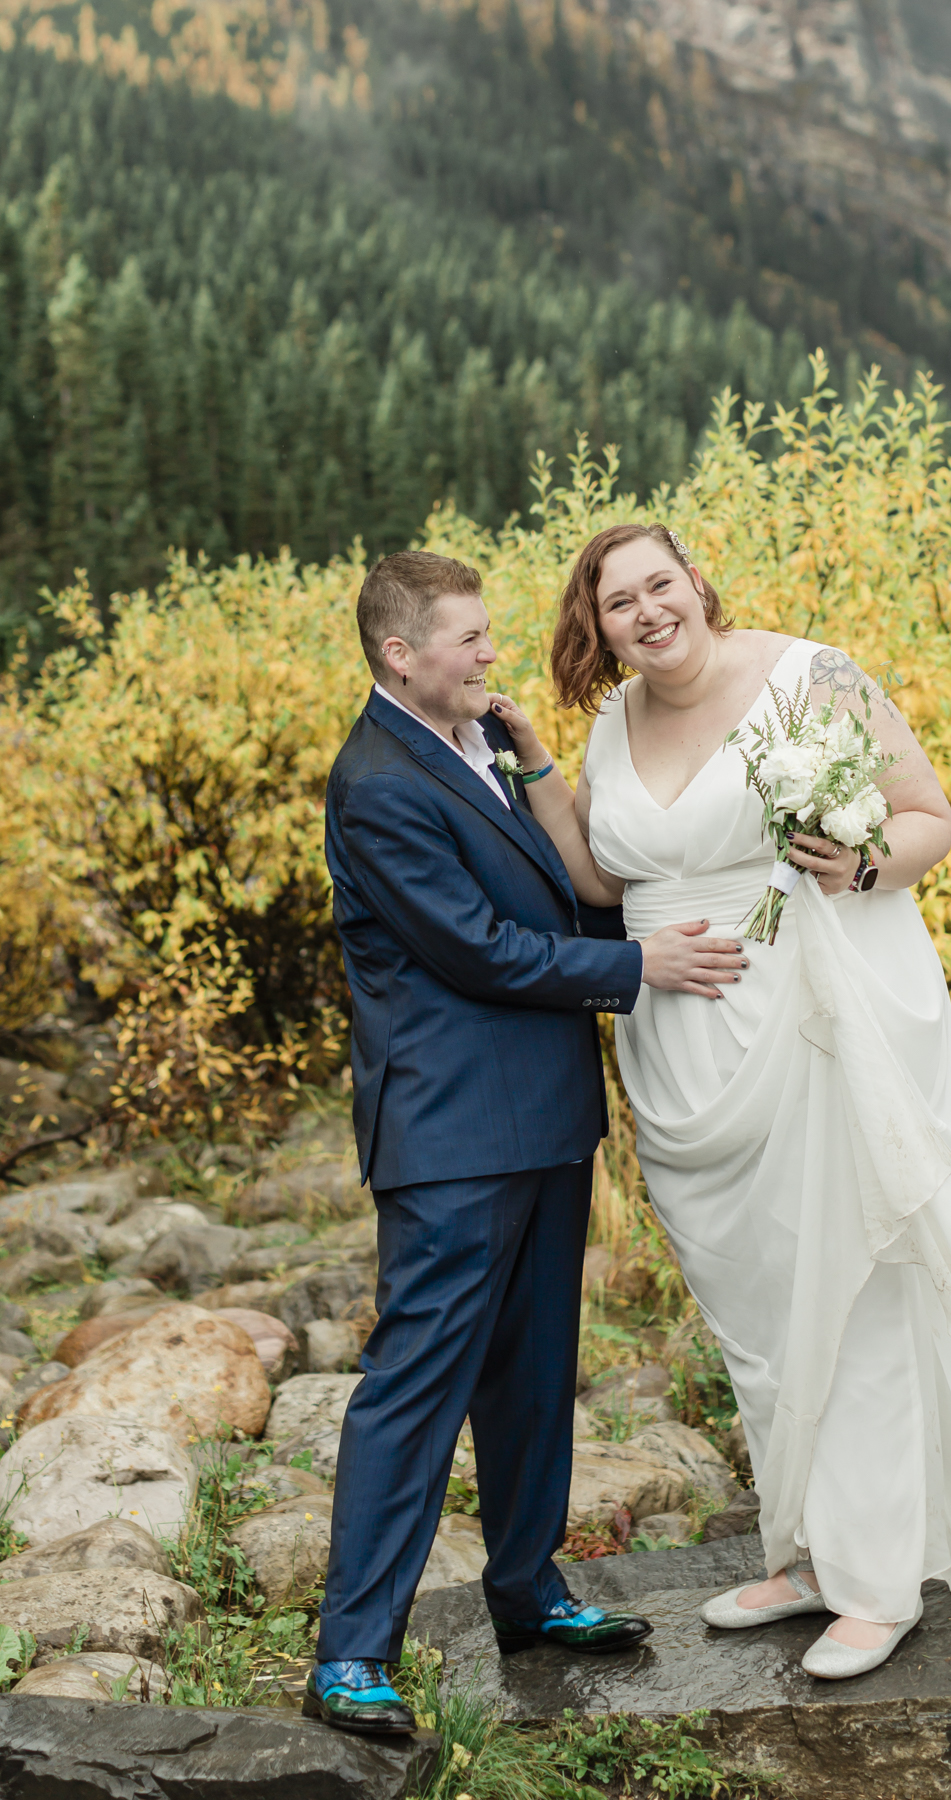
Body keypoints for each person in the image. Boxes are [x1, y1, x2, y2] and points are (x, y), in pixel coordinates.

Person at [487, 524, 951, 1682]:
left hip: (810, 1019)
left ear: (699, 584)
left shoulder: (812, 675)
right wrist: (543, 770)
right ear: (595, 625)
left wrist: (855, 866)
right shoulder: (615, 720)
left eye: (661, 585)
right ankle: (803, 1553)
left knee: (849, 1285)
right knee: (757, 1316)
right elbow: (607, 880)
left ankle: (879, 1582)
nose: (647, 612)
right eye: (618, 603)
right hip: (680, 1054)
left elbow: (925, 818)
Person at [310, 549, 750, 1734]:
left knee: (533, 1373)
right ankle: (351, 1652)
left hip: (545, 1118)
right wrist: (638, 969)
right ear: (401, 655)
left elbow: (558, 888)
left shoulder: (477, 746)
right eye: (469, 637)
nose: (491, 653)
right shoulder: (378, 783)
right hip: (451, 1131)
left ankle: (527, 1589)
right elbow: (474, 951)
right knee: (414, 1387)